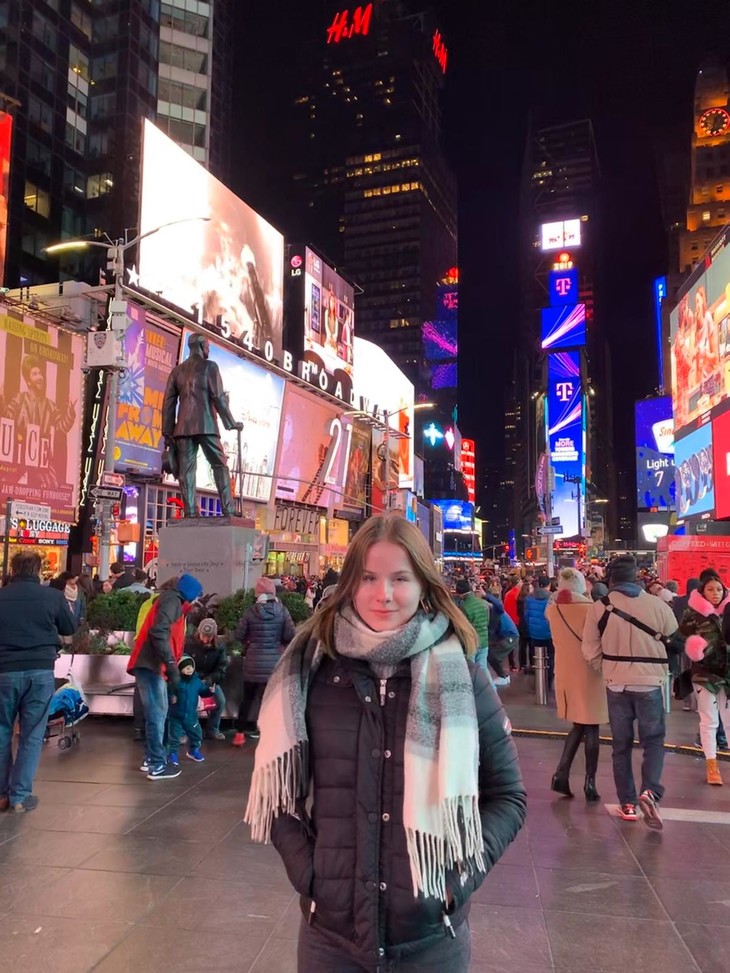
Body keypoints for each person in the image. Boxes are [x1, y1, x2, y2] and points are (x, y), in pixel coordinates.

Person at [244, 515, 527, 972]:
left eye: (400, 578)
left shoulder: (465, 678)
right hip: (330, 937)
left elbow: (508, 796)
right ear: (349, 583)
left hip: (431, 939)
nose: (384, 594)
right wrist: (311, 874)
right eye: (369, 578)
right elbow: (279, 794)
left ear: (423, 584)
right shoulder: (311, 671)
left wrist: (456, 881)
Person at [582, 555, 678, 829]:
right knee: (653, 741)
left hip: (616, 682)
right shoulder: (658, 604)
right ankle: (650, 791)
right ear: (637, 577)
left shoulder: (600, 607)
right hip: (651, 683)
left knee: (621, 746)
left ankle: (627, 803)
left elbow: (589, 649)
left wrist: (608, 667)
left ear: (610, 579)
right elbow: (674, 637)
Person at [0, 551, 77, 812]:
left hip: (3, 672)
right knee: (32, 735)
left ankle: (1, 794)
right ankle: (20, 796)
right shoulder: (52, 596)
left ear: (13, 569)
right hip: (40, 671)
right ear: (37, 570)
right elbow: (69, 628)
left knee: (1, 732)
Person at [127, 573, 204, 780]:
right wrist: (170, 664)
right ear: (189, 594)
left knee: (156, 714)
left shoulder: (172, 602)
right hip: (152, 664)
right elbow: (159, 632)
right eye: (197, 597)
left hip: (150, 664)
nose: (197, 602)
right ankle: (157, 764)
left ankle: (151, 758)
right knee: (157, 714)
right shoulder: (172, 601)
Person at [162, 332, 244, 518]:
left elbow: (168, 403)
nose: (209, 349)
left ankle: (190, 511)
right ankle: (228, 509)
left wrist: (167, 432)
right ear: (200, 345)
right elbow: (219, 398)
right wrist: (230, 423)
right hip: (206, 424)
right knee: (219, 465)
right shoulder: (210, 367)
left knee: (187, 471)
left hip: (182, 429)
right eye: (207, 345)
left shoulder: (177, 372)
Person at [546, 568, 607, 802]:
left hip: (565, 672)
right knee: (592, 726)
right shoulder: (591, 609)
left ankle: (561, 775)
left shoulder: (553, 611)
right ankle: (589, 782)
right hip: (591, 671)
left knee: (579, 724)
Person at [232, 576, 296, 746]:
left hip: (253, 662)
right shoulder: (282, 611)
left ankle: (239, 734)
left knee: (247, 699)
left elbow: (238, 635)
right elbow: (290, 634)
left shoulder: (251, 611)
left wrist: (249, 640)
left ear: (258, 594)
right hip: (273, 663)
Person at [680, 570, 730, 784]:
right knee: (709, 720)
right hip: (703, 673)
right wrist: (694, 647)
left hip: (727, 673)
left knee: (729, 720)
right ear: (702, 591)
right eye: (710, 589)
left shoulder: (729, 610)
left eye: (719, 589)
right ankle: (712, 765)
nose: (715, 593)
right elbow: (681, 635)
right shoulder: (692, 613)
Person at [6, 354, 76, 491]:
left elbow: (62, 427)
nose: (40, 377)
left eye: (40, 373)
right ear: (28, 381)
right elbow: (7, 416)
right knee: (6, 484)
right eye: (35, 374)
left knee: (53, 487)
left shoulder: (49, 405)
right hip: (20, 455)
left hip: (42, 459)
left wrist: (70, 411)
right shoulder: (19, 399)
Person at [166, 655, 214, 767]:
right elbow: (168, 692)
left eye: (191, 667)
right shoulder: (175, 681)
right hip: (176, 715)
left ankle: (193, 750)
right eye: (186, 667)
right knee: (174, 736)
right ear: (180, 669)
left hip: (191, 715)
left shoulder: (197, 681)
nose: (189, 669)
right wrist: (171, 697)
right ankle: (172, 754)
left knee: (197, 734)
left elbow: (203, 691)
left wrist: (210, 691)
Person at [185, 617, 229, 740]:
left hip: (209, 680)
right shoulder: (188, 644)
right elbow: (183, 664)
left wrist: (211, 680)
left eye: (208, 637)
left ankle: (212, 730)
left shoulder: (219, 647)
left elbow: (221, 668)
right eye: (203, 635)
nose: (205, 640)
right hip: (191, 679)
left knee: (220, 701)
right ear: (198, 632)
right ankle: (185, 732)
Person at [454, 577, 491, 678]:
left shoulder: (464, 607)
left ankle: (473, 692)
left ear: (460, 593)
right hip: (484, 641)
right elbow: (487, 622)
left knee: (471, 669)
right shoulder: (483, 603)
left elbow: (463, 627)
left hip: (472, 642)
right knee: (483, 668)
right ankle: (492, 690)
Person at [524, 576, 554, 684]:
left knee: (537, 657)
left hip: (534, 633)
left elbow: (526, 615)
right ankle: (548, 682)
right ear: (549, 585)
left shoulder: (529, 597)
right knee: (550, 657)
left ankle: (539, 681)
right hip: (549, 633)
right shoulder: (552, 597)